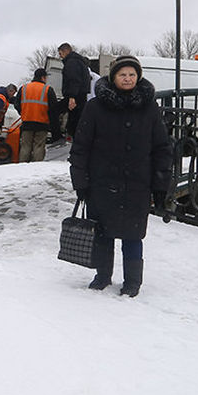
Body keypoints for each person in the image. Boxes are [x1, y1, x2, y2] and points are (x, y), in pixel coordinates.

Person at [68, 56, 172, 297]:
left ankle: (132, 281)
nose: (127, 79)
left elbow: (161, 147)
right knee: (103, 234)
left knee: (133, 236)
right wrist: (81, 181)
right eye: (122, 74)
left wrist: (160, 183)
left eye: (132, 75)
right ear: (113, 77)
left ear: (138, 77)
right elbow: (81, 147)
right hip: (102, 183)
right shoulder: (95, 107)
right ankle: (102, 275)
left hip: (137, 184)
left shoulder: (149, 107)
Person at [15, 68, 59, 162]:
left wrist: (23, 113)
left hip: (27, 122)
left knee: (25, 147)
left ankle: (22, 168)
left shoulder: (24, 88)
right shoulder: (48, 89)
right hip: (42, 123)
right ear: (43, 77)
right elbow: (53, 109)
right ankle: (36, 169)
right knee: (38, 147)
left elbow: (17, 104)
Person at [57, 43, 91, 139]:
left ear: (65, 51)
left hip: (75, 96)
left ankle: (59, 136)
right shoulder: (80, 62)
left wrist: (72, 97)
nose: (60, 57)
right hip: (81, 95)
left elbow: (74, 80)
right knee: (76, 120)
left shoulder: (71, 63)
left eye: (60, 54)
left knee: (55, 111)